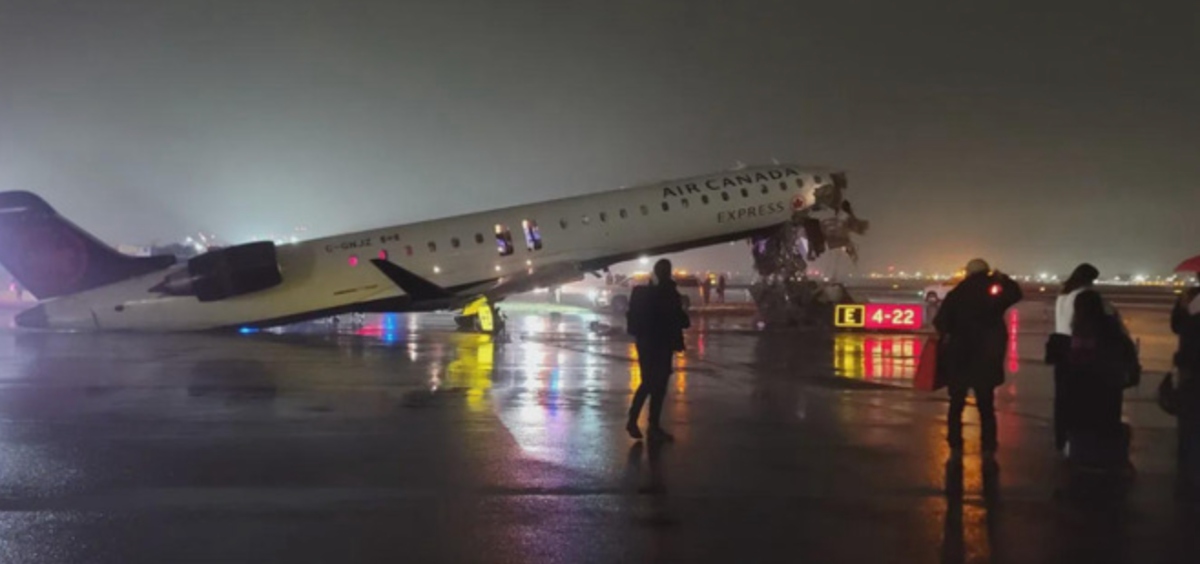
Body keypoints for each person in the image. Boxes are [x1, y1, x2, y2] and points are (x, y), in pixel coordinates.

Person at [933, 258, 1023, 455]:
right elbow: (1016, 294)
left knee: (956, 403)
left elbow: (940, 322)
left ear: (968, 272)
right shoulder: (993, 292)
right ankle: (988, 443)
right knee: (986, 405)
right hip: (986, 356)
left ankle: (955, 441)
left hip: (960, 356)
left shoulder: (957, 293)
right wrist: (1003, 278)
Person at [1065, 289, 1136, 468]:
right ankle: (1108, 459)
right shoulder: (1111, 326)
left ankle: (1087, 459)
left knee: (1087, 422)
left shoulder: (1081, 328)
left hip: (1089, 383)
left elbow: (1078, 359)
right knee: (1108, 421)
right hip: (1111, 382)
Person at [626, 258, 690, 441]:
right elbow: (681, 320)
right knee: (658, 386)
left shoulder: (646, 293)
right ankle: (651, 426)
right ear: (668, 272)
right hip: (662, 344)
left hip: (646, 343)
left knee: (648, 383)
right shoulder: (669, 292)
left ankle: (636, 421)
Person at [1046, 263, 1100, 454]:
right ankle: (1076, 440)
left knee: (1062, 396)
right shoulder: (1085, 295)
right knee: (1078, 396)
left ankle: (1061, 438)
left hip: (1059, 344)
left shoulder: (1063, 295)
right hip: (1076, 345)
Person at [1172, 282, 1200, 493]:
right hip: (1191, 369)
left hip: (1190, 372)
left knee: (1189, 425)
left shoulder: (1189, 300)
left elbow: (1176, 327)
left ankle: (1188, 474)